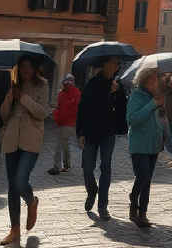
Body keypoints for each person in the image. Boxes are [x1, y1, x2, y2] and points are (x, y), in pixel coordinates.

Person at [0, 57, 49, 244]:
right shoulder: (14, 86)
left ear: (35, 68)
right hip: (12, 139)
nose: (26, 70)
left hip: (31, 140)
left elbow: (42, 113)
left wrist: (23, 98)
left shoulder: (42, 85)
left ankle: (31, 200)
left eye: (29, 66)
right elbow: (3, 115)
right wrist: (10, 98)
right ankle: (14, 229)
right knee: (12, 186)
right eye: (22, 67)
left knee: (20, 180)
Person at [76, 57, 128, 221]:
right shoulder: (92, 84)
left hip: (108, 132)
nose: (116, 66)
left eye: (117, 64)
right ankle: (92, 190)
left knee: (106, 167)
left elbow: (122, 110)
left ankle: (103, 206)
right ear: (105, 64)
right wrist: (80, 133)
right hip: (90, 131)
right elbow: (84, 108)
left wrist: (117, 94)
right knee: (87, 167)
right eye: (113, 63)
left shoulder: (118, 86)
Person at [126, 68, 163, 229]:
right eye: (153, 80)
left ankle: (142, 213)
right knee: (143, 176)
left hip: (153, 145)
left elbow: (157, 120)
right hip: (139, 145)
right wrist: (152, 105)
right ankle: (134, 199)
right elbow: (133, 119)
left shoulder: (154, 97)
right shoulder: (136, 96)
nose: (156, 83)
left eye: (156, 80)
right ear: (145, 81)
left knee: (147, 180)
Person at [49, 74, 80, 175]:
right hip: (64, 122)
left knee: (59, 145)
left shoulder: (75, 94)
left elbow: (74, 110)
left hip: (68, 123)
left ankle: (56, 167)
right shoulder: (63, 94)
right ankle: (67, 164)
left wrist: (58, 116)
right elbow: (59, 107)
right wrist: (56, 115)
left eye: (68, 83)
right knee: (64, 145)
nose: (66, 84)